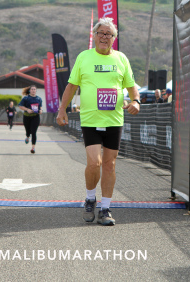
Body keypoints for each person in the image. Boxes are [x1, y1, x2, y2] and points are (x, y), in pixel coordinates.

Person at [56, 17, 140, 226]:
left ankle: (105, 208)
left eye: (108, 34)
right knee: (95, 162)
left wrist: (136, 101)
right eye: (100, 33)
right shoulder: (84, 57)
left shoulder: (121, 59)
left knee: (110, 165)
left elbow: (131, 86)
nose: (104, 37)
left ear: (114, 38)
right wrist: (62, 110)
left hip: (114, 119)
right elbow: (71, 86)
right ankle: (90, 198)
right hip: (91, 118)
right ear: (94, 36)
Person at [18, 85, 43, 154]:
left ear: (36, 90)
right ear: (29, 90)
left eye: (34, 89)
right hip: (27, 116)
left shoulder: (39, 99)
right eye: (32, 89)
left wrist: (41, 110)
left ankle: (33, 148)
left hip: (35, 117)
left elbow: (40, 106)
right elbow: (20, 106)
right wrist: (27, 109)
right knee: (28, 130)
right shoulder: (26, 98)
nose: (33, 90)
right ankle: (27, 136)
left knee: (34, 132)